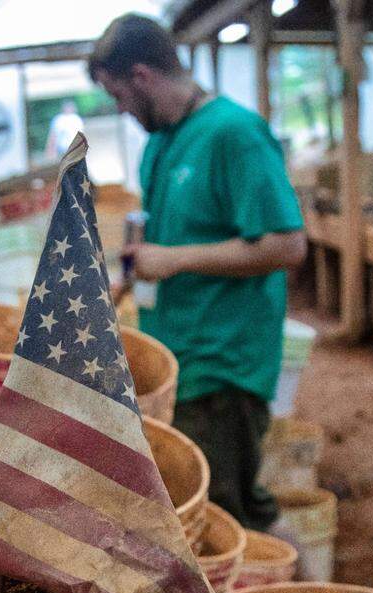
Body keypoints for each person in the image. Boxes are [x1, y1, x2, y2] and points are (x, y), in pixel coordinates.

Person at [90, 14, 306, 532]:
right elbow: (157, 232)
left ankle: (284, 585)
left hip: (223, 358)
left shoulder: (235, 133)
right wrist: (124, 275)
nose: (120, 109)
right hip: (178, 350)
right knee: (197, 498)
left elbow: (287, 244)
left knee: (223, 508)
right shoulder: (160, 143)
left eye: (118, 94)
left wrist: (177, 259)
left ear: (142, 75)